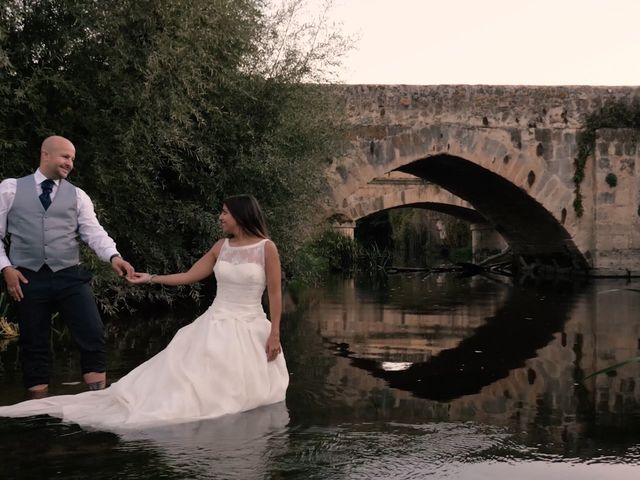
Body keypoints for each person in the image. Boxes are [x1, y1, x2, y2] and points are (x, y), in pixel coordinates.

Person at [0, 194, 289, 430]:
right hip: (216, 322)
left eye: (225, 212)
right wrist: (151, 278)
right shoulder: (221, 246)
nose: (220, 217)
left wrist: (274, 332)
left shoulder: (267, 249)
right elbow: (190, 275)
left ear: (241, 215)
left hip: (251, 325)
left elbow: (274, 294)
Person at [0, 136, 134, 395]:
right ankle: (38, 413)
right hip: (26, 277)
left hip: (69, 274)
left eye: (72, 158)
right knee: (33, 343)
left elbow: (94, 233)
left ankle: (98, 400)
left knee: (93, 334)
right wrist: (6, 269)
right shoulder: (10, 189)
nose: (69, 163)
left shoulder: (78, 196)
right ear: (46, 154)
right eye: (65, 156)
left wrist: (114, 257)